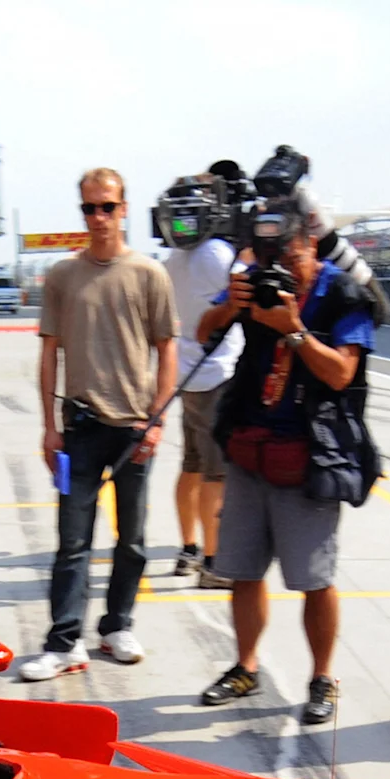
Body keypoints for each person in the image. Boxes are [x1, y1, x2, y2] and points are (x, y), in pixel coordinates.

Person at [194, 182, 379, 726]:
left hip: (310, 456)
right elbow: (204, 334)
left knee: (314, 578)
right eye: (268, 254)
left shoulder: (344, 294)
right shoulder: (250, 287)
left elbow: (343, 373)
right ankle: (245, 666)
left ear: (311, 243)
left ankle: (322, 678)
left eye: (290, 254)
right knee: (243, 570)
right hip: (251, 449)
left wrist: (294, 331)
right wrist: (231, 304)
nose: (280, 266)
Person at [21, 167, 178, 681]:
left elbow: (167, 351)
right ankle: (64, 640)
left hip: (133, 427)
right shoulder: (64, 276)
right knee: (72, 541)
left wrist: (155, 421)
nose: (99, 217)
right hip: (80, 428)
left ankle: (117, 626)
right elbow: (48, 354)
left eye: (107, 207)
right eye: (90, 208)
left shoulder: (149, 274)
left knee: (131, 539)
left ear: (124, 209)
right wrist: (48, 425)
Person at [158, 174, 241, 583]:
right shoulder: (219, 254)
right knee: (216, 473)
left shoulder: (171, 260)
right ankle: (213, 560)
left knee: (189, 465)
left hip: (187, 375)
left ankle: (188, 548)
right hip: (218, 375)